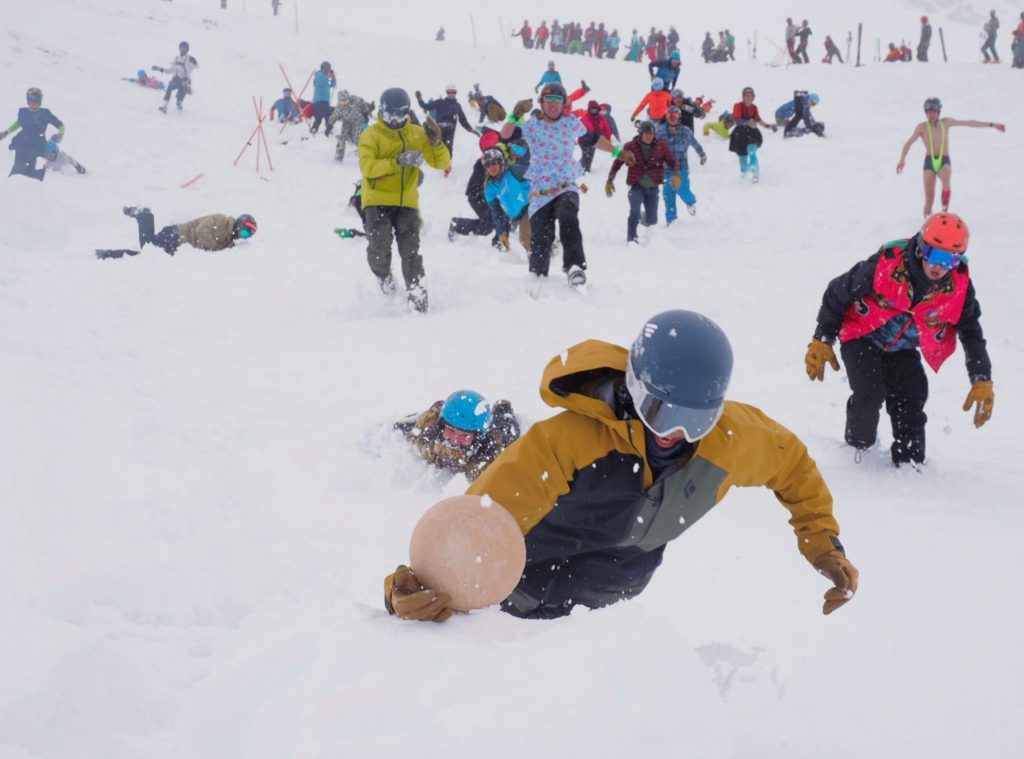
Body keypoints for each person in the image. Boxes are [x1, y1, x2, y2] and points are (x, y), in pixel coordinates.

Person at [385, 309, 859, 622]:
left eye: (694, 422)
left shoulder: (731, 441)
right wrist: (414, 587)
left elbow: (794, 468)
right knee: (496, 647)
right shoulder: (568, 439)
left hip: (618, 579)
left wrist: (824, 546)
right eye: (660, 410)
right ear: (635, 387)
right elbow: (479, 518)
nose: (673, 433)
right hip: (526, 566)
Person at [805, 213, 993, 467]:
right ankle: (858, 451)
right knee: (870, 393)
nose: (939, 266)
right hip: (863, 335)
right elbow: (839, 290)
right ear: (922, 248)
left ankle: (909, 463)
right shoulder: (888, 265)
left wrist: (981, 377)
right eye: (934, 255)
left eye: (950, 259)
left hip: (902, 347)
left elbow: (971, 330)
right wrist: (823, 338)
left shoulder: (959, 287)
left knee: (912, 396)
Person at [502, 83, 628, 288]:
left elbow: (593, 139)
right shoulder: (532, 126)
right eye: (549, 100)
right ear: (542, 103)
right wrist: (514, 115)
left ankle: (575, 266)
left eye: (558, 101)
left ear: (564, 105)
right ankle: (538, 274)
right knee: (542, 236)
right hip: (540, 191)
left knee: (568, 215)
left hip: (565, 184)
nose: (553, 105)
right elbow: (506, 135)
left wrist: (617, 152)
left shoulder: (571, 123)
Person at [358, 87, 450, 313]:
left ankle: (418, 296)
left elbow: (441, 163)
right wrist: (397, 161)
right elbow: (368, 168)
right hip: (377, 200)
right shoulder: (371, 135)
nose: (395, 121)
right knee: (379, 246)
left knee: (410, 251)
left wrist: (437, 144)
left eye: (400, 116)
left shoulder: (417, 134)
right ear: (382, 112)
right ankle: (384, 275)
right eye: (390, 116)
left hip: (406, 203)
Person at [896, 97, 1006, 217]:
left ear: (939, 112)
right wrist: (902, 159)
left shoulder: (946, 122)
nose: (931, 114)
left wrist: (992, 125)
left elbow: (968, 123)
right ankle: (926, 224)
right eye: (928, 112)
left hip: (944, 160)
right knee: (929, 199)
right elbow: (908, 143)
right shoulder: (922, 127)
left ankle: (944, 213)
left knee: (946, 183)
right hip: (929, 162)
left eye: (933, 111)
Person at [394, 390, 521, 482]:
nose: (454, 441)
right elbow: (407, 429)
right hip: (442, 413)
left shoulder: (489, 457)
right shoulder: (426, 429)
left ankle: (502, 409)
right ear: (441, 426)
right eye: (450, 430)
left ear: (477, 437)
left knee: (507, 430)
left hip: (495, 433)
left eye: (464, 435)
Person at [606, 120, 678, 243]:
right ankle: (632, 238)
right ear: (640, 133)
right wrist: (610, 179)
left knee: (652, 220)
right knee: (634, 212)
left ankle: (643, 217)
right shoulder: (630, 146)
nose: (649, 136)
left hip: (653, 187)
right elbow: (617, 163)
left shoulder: (661, 146)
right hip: (636, 185)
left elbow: (672, 161)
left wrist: (676, 174)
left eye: (652, 134)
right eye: (646, 134)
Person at [118, 207, 256, 255]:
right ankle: (144, 215)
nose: (242, 237)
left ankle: (107, 255)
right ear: (239, 225)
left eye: (246, 236)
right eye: (244, 233)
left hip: (178, 245)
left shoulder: (228, 239)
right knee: (148, 249)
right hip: (176, 234)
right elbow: (202, 231)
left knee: (147, 256)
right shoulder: (221, 220)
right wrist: (215, 246)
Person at [0, 87, 65, 181]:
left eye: (36, 100)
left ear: (40, 101)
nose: (34, 103)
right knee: (18, 166)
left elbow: (60, 125)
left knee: (30, 170)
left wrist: (61, 134)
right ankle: (12, 183)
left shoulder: (45, 113)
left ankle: (30, 185)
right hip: (23, 142)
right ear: (28, 101)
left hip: (37, 143)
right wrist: (6, 132)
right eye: (31, 100)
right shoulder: (23, 112)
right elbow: (19, 123)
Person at [656, 106, 706, 223]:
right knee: (668, 196)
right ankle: (671, 221)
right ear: (666, 117)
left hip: (681, 169)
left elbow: (695, 143)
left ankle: (690, 201)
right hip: (666, 170)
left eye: (675, 115)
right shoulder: (660, 131)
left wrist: (701, 154)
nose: (672, 118)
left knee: (682, 189)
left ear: (679, 117)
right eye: (669, 115)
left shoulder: (686, 131)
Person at [482, 147, 531, 254]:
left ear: (501, 162)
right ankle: (551, 250)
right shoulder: (489, 188)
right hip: (516, 216)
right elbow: (497, 212)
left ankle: (538, 259)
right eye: (487, 165)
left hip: (530, 206)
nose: (491, 167)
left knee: (525, 237)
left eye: (494, 163)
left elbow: (534, 175)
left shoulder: (514, 171)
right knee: (529, 238)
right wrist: (502, 233)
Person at [729, 87, 776, 182]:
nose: (748, 98)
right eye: (746, 95)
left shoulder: (754, 108)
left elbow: (758, 120)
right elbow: (737, 119)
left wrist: (769, 126)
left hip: (752, 133)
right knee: (743, 162)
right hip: (740, 134)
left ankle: (756, 174)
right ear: (743, 97)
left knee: (751, 150)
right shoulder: (738, 106)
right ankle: (744, 177)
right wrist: (746, 122)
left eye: (750, 96)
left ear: (753, 97)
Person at [415, 86, 475, 158]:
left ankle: (447, 165)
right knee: (437, 145)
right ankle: (435, 160)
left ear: (455, 93)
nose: (451, 94)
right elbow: (426, 106)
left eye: (453, 92)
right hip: (440, 128)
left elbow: (463, 119)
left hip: (450, 130)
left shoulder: (457, 106)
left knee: (448, 147)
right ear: (447, 93)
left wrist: (469, 128)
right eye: (449, 92)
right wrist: (419, 99)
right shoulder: (440, 102)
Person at [328, 90, 374, 162]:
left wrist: (365, 114)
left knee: (357, 138)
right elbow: (334, 115)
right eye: (342, 101)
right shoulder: (339, 106)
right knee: (342, 138)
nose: (344, 103)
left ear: (348, 98)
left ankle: (364, 153)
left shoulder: (355, 100)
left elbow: (364, 104)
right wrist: (329, 125)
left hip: (358, 121)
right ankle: (339, 155)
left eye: (345, 100)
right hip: (346, 122)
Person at [154, 41, 197, 113]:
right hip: (176, 79)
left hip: (185, 81)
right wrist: (160, 69)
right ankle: (165, 105)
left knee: (180, 96)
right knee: (170, 86)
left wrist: (195, 62)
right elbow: (170, 70)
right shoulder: (176, 58)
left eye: (184, 48)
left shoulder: (189, 59)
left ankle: (179, 103)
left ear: (187, 50)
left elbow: (196, 66)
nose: (182, 50)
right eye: (181, 48)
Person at [578, 100, 613, 172]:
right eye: (592, 110)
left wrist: (608, 138)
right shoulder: (584, 118)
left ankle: (583, 165)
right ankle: (585, 170)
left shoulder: (601, 117)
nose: (594, 111)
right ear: (589, 110)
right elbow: (579, 130)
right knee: (587, 154)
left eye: (596, 110)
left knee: (591, 154)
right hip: (584, 141)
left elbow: (607, 128)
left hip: (595, 140)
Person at [310, 61, 336, 135]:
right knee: (319, 115)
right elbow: (320, 82)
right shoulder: (319, 75)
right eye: (326, 69)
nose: (327, 70)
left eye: (328, 69)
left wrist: (333, 77)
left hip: (325, 100)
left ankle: (328, 129)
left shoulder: (325, 76)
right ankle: (314, 128)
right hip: (318, 100)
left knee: (327, 115)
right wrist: (328, 75)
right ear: (322, 68)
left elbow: (333, 85)